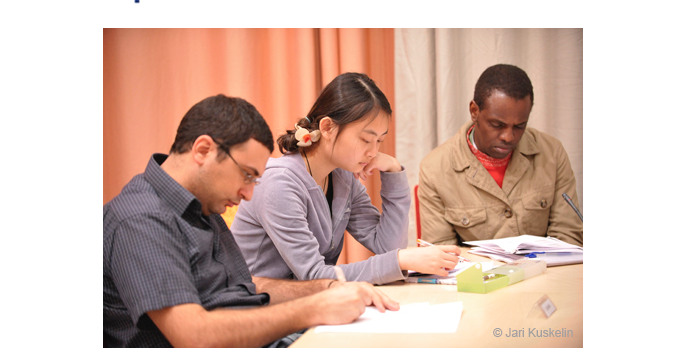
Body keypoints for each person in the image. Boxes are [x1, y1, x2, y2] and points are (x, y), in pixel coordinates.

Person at [103, 95, 398, 348]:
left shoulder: (199, 205)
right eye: (246, 175)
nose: (248, 194)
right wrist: (313, 308)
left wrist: (326, 288)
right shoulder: (141, 219)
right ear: (203, 150)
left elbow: (247, 286)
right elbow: (194, 336)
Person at [231, 73, 461, 285]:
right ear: (327, 127)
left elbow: (388, 247)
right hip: (257, 307)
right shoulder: (279, 184)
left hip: (308, 304)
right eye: (366, 139)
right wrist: (400, 260)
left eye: (379, 141)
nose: (373, 152)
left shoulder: (342, 177)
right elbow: (314, 276)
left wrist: (392, 171)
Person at [418, 64, 583, 247]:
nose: (508, 137)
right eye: (497, 125)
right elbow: (442, 252)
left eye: (519, 126)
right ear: (474, 111)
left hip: (545, 266)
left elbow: (568, 235)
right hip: (477, 268)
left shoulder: (552, 153)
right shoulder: (434, 169)